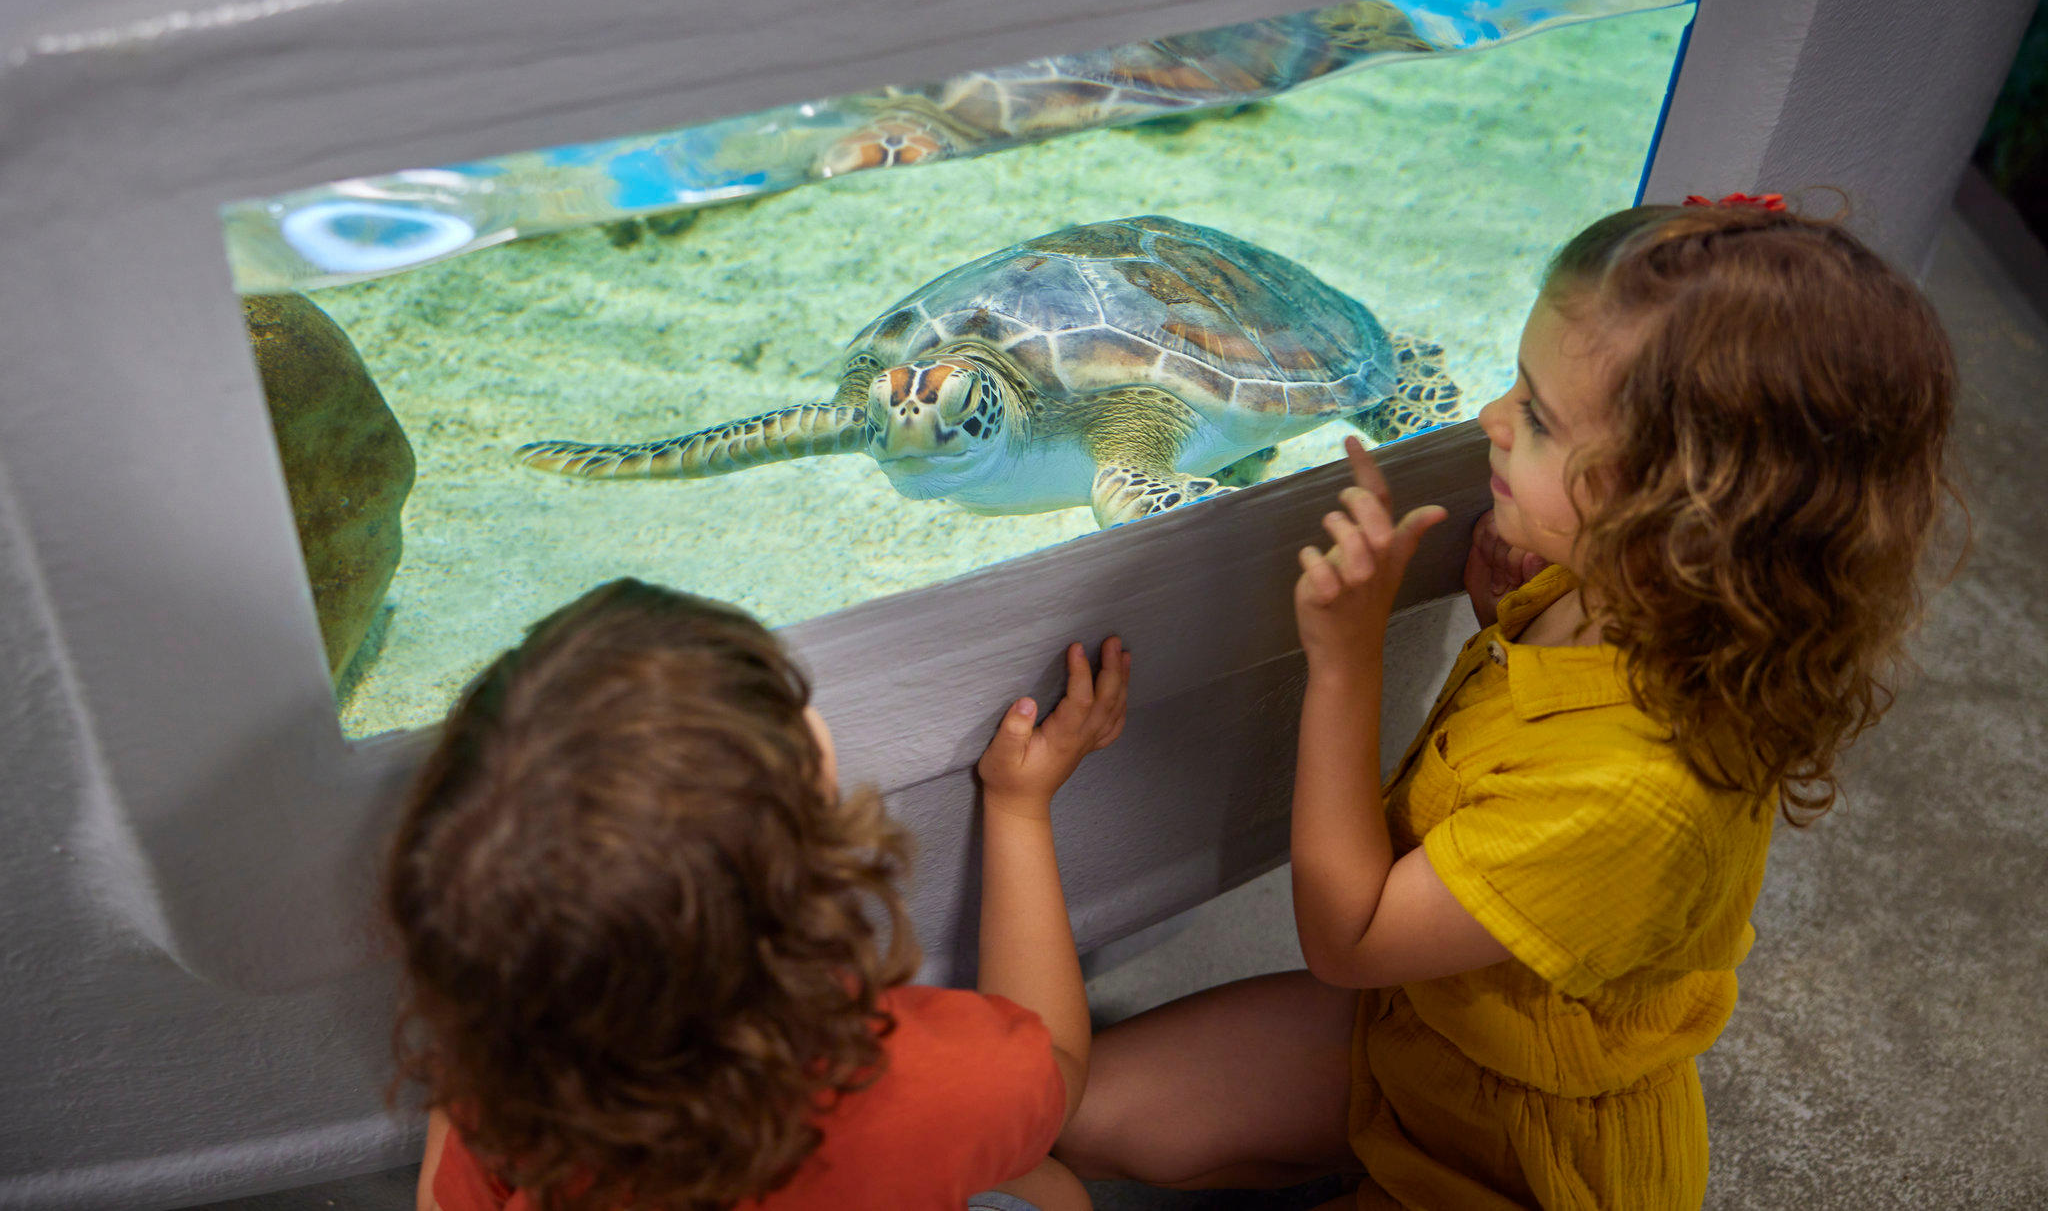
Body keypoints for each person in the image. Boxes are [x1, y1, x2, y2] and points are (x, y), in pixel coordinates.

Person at [1055, 194, 1961, 1208]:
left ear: (1667, 505)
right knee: (1065, 1113)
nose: (1490, 417)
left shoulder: (1638, 794)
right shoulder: (1627, 593)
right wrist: (1500, 614)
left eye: (1532, 413)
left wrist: (1347, 663)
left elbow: (1346, 938)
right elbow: (1536, 720)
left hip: (1511, 1157)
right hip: (1422, 1026)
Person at [383, 577, 1130, 1211]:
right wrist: (1019, 806)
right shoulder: (916, 1077)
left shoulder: (503, 1097)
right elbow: (1056, 1063)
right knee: (1046, 1184)